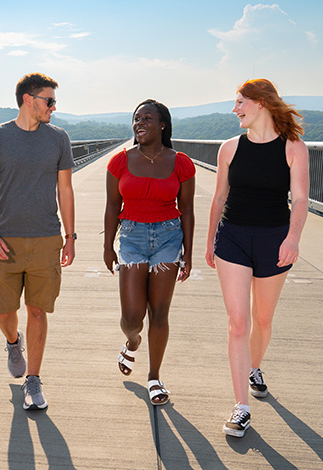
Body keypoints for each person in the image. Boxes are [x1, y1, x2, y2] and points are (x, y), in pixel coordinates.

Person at [205, 79, 309, 437]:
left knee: (262, 319)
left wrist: (293, 238)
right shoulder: (229, 148)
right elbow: (219, 198)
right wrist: (209, 243)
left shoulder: (294, 147)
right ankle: (241, 407)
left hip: (274, 239)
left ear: (261, 103)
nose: (235, 109)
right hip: (232, 238)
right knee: (238, 322)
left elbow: (300, 199)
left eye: (239, 103)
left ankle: (254, 367)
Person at [0, 72, 76, 411]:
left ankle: (33, 381)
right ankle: (12, 341)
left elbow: (65, 189)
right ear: (28, 100)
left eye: (54, 101)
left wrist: (70, 236)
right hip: (5, 240)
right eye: (49, 101)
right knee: (4, 310)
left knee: (37, 310)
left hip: (46, 238)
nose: (53, 107)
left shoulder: (59, 139)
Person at [103, 99, 196, 406]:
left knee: (159, 312)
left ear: (163, 125)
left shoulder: (181, 163)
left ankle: (154, 376)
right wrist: (107, 246)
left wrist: (188, 253)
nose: (139, 123)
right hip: (131, 237)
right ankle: (132, 342)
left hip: (169, 238)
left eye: (146, 118)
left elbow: (188, 211)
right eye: (136, 119)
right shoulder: (120, 162)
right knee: (132, 317)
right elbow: (112, 206)